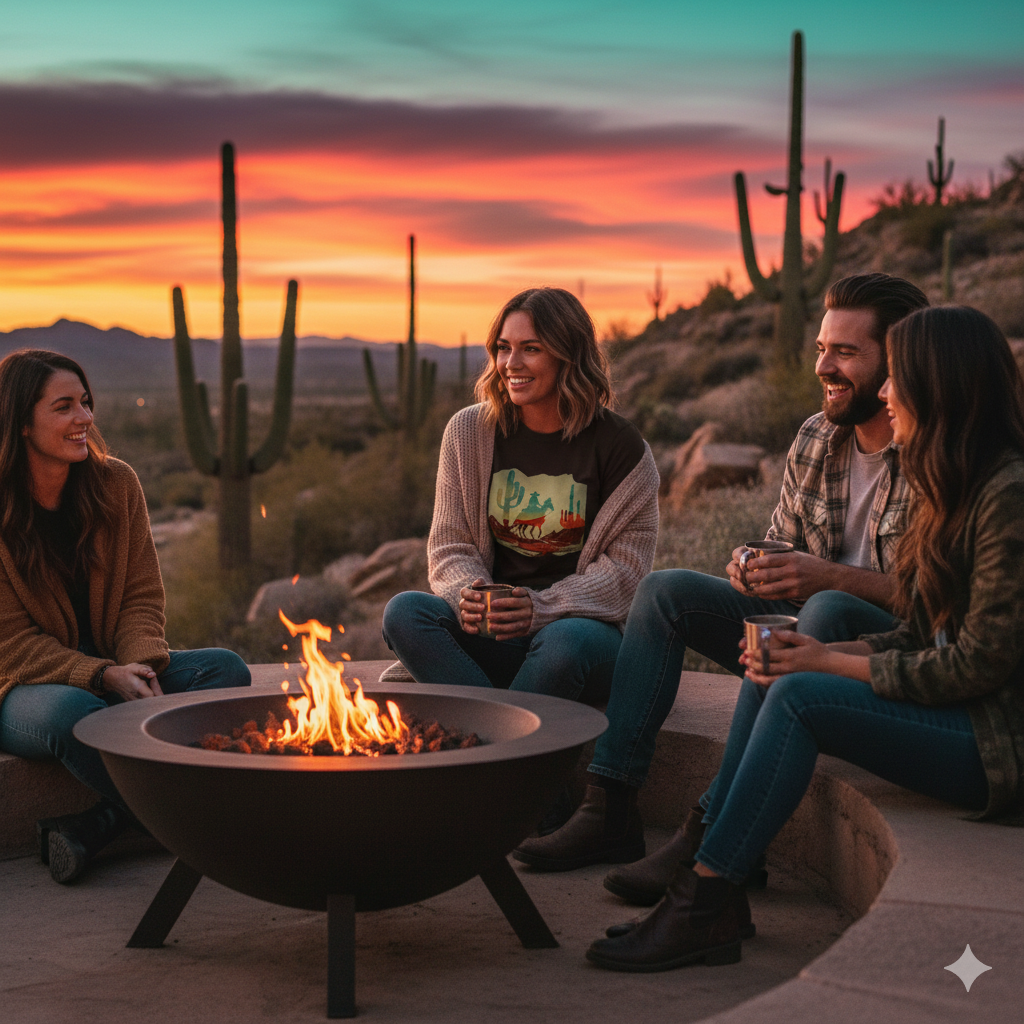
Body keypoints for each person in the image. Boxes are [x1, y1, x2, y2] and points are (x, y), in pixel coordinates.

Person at [586, 304, 1024, 971]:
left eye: (895, 377)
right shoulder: (954, 484)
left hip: (998, 744)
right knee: (787, 669)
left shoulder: (1006, 497)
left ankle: (705, 898)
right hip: (961, 714)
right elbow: (918, 635)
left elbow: (973, 667)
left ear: (941, 384)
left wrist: (825, 659)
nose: (885, 394)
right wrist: (819, 654)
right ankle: (710, 886)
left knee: (799, 697)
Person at [514, 273, 929, 876]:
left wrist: (828, 579)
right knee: (665, 593)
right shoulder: (817, 438)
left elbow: (939, 601)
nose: (824, 366)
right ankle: (610, 806)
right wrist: (752, 565)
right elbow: (785, 544)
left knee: (826, 610)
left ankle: (711, 826)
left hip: (871, 649)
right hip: (796, 628)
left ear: (897, 360)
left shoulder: (933, 453)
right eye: (820, 348)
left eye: (845, 352)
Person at [0, 350, 251, 884]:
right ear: (22, 423)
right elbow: (12, 643)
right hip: (24, 687)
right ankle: (211, 822)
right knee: (77, 710)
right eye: (64, 407)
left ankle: (102, 824)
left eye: (86, 403)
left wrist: (138, 664)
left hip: (112, 668)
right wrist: (101, 674)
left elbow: (141, 598)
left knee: (225, 672)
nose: (84, 419)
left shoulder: (116, 485)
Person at [381, 287, 659, 728]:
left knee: (564, 644)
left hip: (581, 639)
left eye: (531, 349)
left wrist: (542, 607)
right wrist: (468, 597)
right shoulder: (468, 432)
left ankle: (485, 739)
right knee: (405, 613)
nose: (511, 364)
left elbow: (626, 574)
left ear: (568, 355)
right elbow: (449, 544)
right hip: (495, 635)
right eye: (504, 348)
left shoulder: (622, 449)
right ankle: (505, 735)